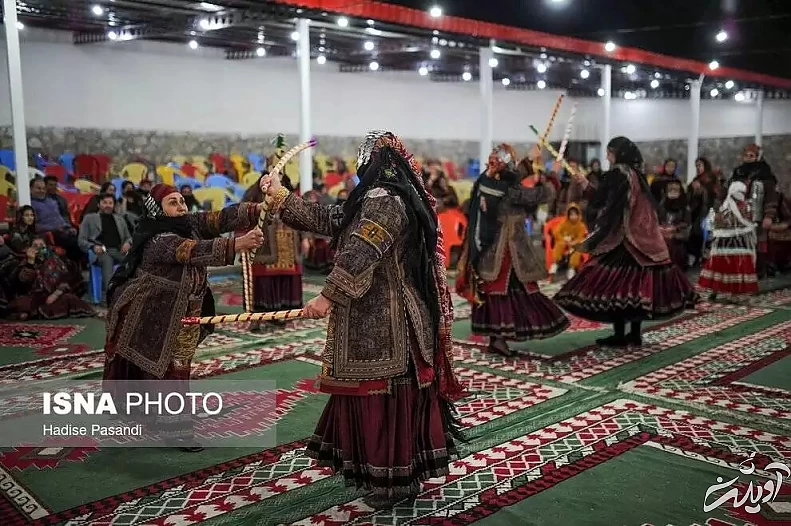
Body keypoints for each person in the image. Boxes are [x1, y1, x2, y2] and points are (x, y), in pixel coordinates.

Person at [259, 130, 463, 509]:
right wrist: (282, 197)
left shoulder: (387, 201)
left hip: (390, 321)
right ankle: (389, 476)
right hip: (376, 316)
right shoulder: (375, 198)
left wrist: (326, 295)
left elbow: (361, 250)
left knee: (385, 397)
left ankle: (395, 482)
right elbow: (332, 218)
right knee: (375, 396)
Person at [103, 183, 264, 451]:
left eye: (181, 201)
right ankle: (176, 430)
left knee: (171, 369)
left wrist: (257, 208)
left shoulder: (188, 223)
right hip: (151, 311)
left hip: (182, 311)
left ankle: (155, 417)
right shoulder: (157, 237)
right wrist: (238, 244)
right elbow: (189, 251)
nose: (181, 207)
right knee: (169, 371)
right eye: (172, 203)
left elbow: (219, 218)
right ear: (158, 210)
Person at [555, 137, 697, 347]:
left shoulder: (617, 174)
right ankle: (634, 334)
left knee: (616, 288)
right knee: (637, 288)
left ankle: (620, 334)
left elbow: (602, 200)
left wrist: (585, 185)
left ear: (617, 153)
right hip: (642, 239)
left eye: (609, 152)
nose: (606, 156)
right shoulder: (636, 175)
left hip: (622, 239)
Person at [456, 144, 569, 357]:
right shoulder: (510, 190)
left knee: (495, 291)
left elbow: (512, 177)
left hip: (491, 247)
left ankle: (496, 338)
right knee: (504, 290)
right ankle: (499, 339)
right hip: (507, 248)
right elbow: (540, 196)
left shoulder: (486, 180)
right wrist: (553, 175)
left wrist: (529, 159)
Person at [240, 173, 303, 332]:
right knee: (262, 280)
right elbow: (244, 218)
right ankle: (257, 316)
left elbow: (302, 217)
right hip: (264, 245)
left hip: (288, 243)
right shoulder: (254, 197)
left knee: (284, 278)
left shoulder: (289, 196)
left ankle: (280, 313)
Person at [698, 181, 759, 299]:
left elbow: (747, 220)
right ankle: (715, 289)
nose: (741, 194)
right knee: (721, 266)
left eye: (743, 192)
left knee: (736, 267)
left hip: (739, 240)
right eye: (739, 192)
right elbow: (718, 221)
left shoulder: (743, 205)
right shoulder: (724, 206)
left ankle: (734, 293)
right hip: (725, 241)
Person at [10, 236, 94, 320]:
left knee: (69, 298)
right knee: (21, 303)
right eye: (35, 245)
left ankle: (33, 313)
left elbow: (65, 279)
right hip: (34, 297)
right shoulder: (26, 262)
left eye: (41, 245)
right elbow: (24, 281)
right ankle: (30, 313)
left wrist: (55, 294)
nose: (38, 248)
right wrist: (30, 263)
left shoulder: (55, 260)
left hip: (54, 296)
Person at [728, 144, 778, 278]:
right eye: (746, 155)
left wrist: (769, 216)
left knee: (758, 243)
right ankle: (741, 272)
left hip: (757, 215)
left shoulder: (765, 174)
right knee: (739, 243)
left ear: (757, 157)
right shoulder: (737, 173)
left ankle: (759, 273)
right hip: (738, 215)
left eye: (752, 156)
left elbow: (771, 197)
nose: (748, 158)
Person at [78, 194, 133, 304]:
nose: (108, 205)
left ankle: (131, 295)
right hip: (100, 252)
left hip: (118, 251)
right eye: (105, 203)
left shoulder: (120, 219)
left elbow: (129, 237)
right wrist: (93, 246)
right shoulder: (89, 218)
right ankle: (108, 297)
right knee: (107, 260)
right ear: (99, 204)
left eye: (110, 203)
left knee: (134, 261)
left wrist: (127, 243)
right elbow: (81, 240)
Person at [29, 178, 82, 262]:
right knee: (75, 243)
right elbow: (33, 226)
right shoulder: (30, 204)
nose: (41, 191)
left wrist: (68, 227)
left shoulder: (51, 201)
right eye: (38, 188)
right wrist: (54, 228)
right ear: (31, 189)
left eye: (43, 188)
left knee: (85, 238)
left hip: (63, 230)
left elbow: (60, 218)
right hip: (49, 234)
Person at [687, 157, 722, 267]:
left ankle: (706, 260)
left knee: (707, 236)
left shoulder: (712, 179)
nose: (698, 168)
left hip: (709, 211)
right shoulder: (696, 180)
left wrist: (702, 190)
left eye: (700, 165)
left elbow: (717, 195)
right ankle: (696, 258)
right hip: (697, 212)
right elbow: (689, 196)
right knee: (696, 235)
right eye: (696, 166)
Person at [658, 179, 691, 270]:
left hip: (677, 239)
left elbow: (687, 225)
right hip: (662, 236)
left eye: (675, 190)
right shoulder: (662, 205)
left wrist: (674, 228)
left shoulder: (684, 207)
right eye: (670, 190)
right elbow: (658, 221)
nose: (672, 193)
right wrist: (662, 228)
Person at [550, 203, 588, 281]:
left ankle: (571, 268)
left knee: (577, 250)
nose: (573, 217)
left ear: (578, 215)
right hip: (564, 241)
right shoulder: (564, 223)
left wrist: (574, 242)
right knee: (559, 245)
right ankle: (555, 263)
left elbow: (581, 237)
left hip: (575, 244)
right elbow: (556, 232)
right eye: (571, 215)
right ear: (568, 215)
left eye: (575, 215)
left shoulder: (581, 226)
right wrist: (563, 239)